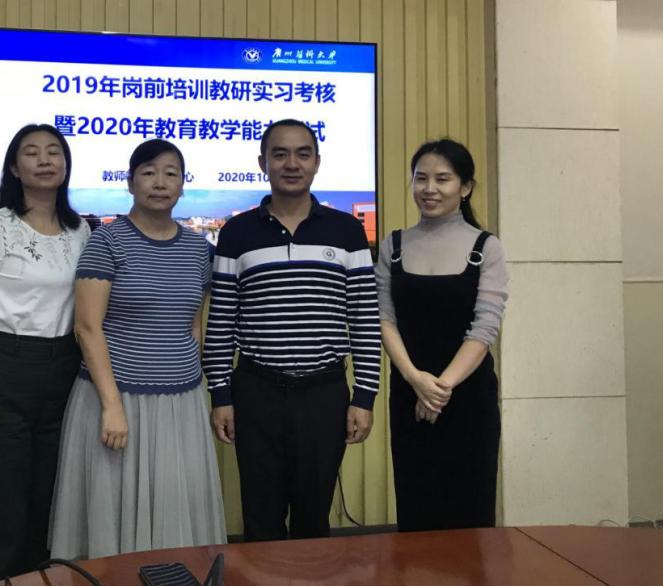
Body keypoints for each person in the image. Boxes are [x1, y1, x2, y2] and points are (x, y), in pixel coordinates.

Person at [203, 119, 382, 542]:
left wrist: (365, 397)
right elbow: (222, 320)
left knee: (313, 519)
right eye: (279, 154)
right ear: (262, 162)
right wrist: (221, 396)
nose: (291, 163)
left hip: (323, 394)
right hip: (257, 392)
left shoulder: (346, 232)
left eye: (303, 154)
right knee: (260, 519)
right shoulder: (237, 233)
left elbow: (364, 318)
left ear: (317, 162)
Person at [49, 139, 226, 559]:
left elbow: (194, 323)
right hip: (117, 399)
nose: (159, 183)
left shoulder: (198, 250)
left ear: (182, 185)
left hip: (180, 403)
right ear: (130, 183)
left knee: (174, 510)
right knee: (113, 516)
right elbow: (87, 328)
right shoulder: (107, 241)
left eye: (170, 174)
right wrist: (112, 406)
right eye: (148, 173)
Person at [0, 124, 90, 580]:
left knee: (48, 507)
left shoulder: (80, 230)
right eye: (31, 153)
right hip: (5, 370)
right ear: (14, 167)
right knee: (4, 510)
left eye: (54, 151)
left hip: (64, 372)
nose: (45, 160)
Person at [375, 138, 509, 532]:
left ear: (465, 187)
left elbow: (485, 328)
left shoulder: (486, 247)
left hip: (468, 398)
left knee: (470, 514)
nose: (429, 188)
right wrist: (415, 380)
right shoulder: (393, 246)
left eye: (443, 179)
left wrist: (441, 389)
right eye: (421, 178)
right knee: (417, 511)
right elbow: (384, 318)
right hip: (409, 393)